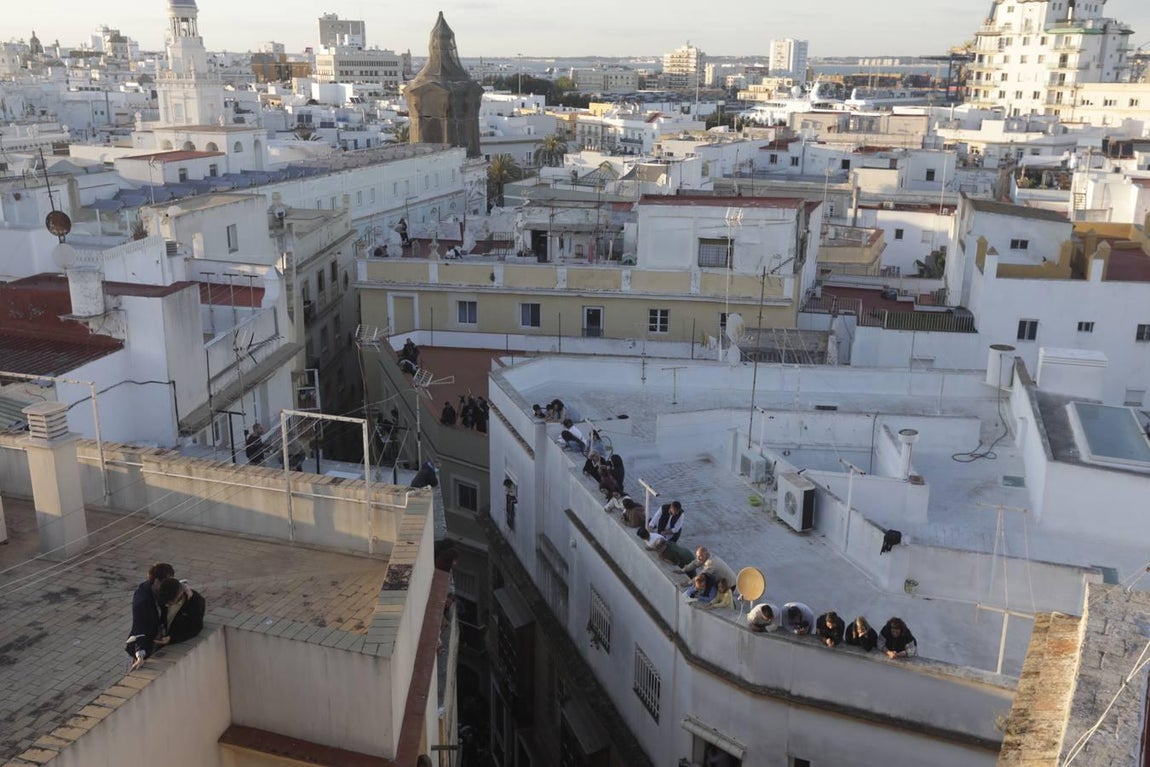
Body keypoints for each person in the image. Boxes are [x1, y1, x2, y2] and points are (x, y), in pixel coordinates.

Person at [126, 562, 175, 671]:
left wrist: (184, 587)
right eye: (166, 583)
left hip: (156, 641)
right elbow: (139, 628)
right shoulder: (143, 601)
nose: (168, 587)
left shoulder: (159, 590)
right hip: (145, 646)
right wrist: (140, 655)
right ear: (157, 581)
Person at [157, 577, 206, 645]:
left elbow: (195, 628)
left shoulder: (195, 602)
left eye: (171, 602)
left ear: (180, 594)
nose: (166, 605)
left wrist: (172, 639)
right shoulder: (163, 594)